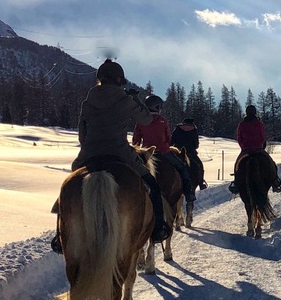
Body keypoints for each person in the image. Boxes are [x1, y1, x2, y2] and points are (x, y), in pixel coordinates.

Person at [51, 59, 169, 254]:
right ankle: (157, 230)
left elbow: (82, 135)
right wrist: (136, 100)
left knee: (68, 187)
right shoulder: (126, 100)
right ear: (119, 80)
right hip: (120, 152)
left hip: (88, 154)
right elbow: (147, 120)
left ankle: (60, 235)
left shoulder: (87, 103)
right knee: (152, 186)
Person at [132, 95, 196, 203]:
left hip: (148, 153)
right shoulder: (163, 120)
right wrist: (165, 145)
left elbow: (136, 141)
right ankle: (188, 193)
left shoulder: (140, 121)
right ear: (158, 107)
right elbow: (168, 138)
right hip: (164, 151)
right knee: (182, 167)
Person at [230, 104, 281, 194]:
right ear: (255, 113)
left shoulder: (242, 124)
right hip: (258, 148)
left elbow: (239, 138)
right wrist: (260, 145)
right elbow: (262, 137)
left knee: (237, 165)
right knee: (271, 163)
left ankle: (236, 183)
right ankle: (275, 182)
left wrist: (243, 146)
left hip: (246, 149)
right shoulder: (259, 124)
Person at [172, 117, 207, 190]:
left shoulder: (177, 129)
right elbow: (196, 145)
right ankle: (201, 183)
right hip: (190, 153)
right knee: (199, 165)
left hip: (178, 152)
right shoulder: (193, 130)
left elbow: (172, 141)